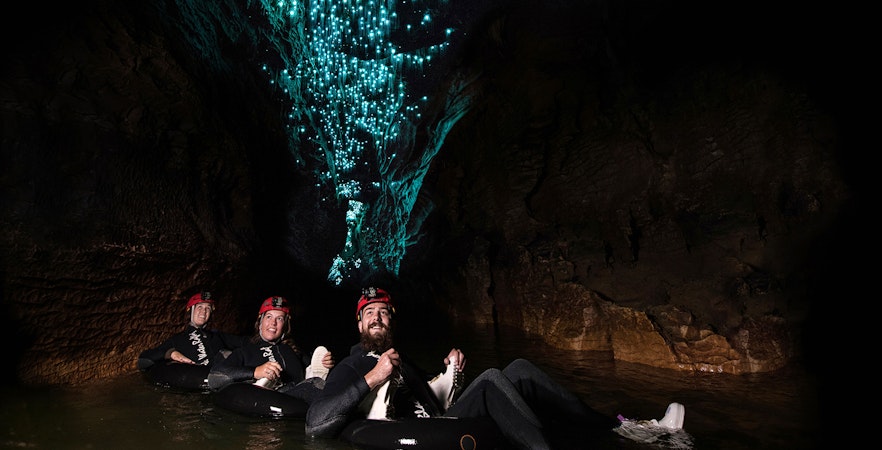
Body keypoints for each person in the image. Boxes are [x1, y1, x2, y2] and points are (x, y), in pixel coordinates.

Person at [305, 287, 686, 450]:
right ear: (359, 324)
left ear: (392, 319)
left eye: (383, 312)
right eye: (369, 313)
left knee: (518, 368)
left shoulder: (403, 360)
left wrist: (450, 373)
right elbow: (315, 423)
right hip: (412, 432)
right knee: (492, 381)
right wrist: (372, 377)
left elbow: (435, 402)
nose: (377, 318)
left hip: (439, 422)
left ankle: (627, 427)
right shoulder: (352, 364)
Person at [207, 295, 335, 403]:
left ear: (285, 325)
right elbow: (215, 378)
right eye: (269, 317)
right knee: (312, 388)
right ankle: (262, 387)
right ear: (260, 322)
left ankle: (313, 379)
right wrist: (255, 372)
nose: (273, 323)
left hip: (296, 398)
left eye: (279, 319)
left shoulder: (295, 352)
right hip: (264, 401)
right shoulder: (245, 351)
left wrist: (326, 363)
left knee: (316, 382)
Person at [137, 291, 246, 370]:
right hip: (197, 384)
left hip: (224, 382)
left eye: (207, 308)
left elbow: (245, 341)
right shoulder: (178, 339)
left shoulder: (217, 336)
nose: (203, 312)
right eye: (199, 307)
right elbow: (144, 358)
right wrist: (171, 353)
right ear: (191, 311)